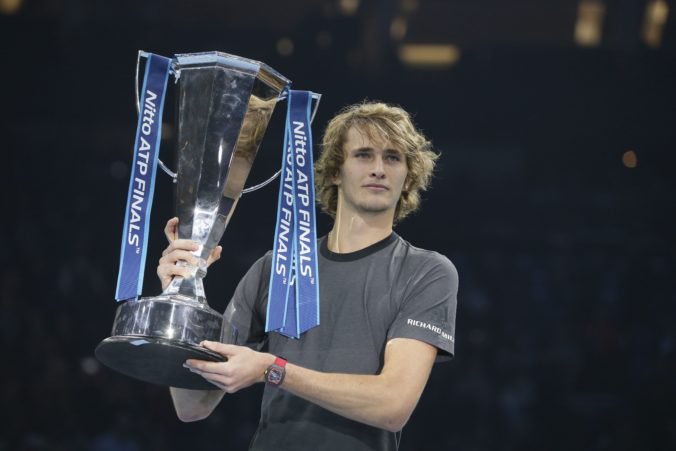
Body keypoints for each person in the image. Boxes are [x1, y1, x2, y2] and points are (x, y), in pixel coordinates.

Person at [157, 101, 459, 451]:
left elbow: (393, 405)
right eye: (363, 155)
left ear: (408, 175)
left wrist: (273, 369)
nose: (378, 169)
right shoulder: (274, 268)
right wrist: (179, 296)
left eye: (392, 158)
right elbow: (192, 405)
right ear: (335, 170)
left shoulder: (426, 272)